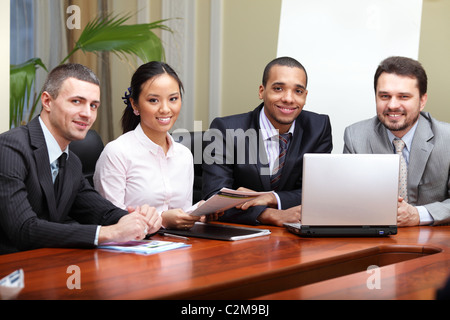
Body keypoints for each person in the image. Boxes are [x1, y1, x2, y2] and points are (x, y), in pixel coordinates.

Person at [0, 63, 162, 255]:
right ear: (47, 101)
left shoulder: (72, 162)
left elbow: (101, 212)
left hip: (47, 267)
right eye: (77, 101)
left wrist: (142, 219)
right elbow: (24, 229)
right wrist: (108, 233)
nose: (87, 114)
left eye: (93, 105)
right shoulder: (9, 148)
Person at [202, 56, 333, 226]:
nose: (288, 98)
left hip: (295, 238)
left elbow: (317, 193)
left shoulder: (318, 127)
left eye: (298, 91)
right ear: (261, 91)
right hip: (241, 238)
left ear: (305, 96)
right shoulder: (225, 129)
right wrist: (269, 214)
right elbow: (214, 198)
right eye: (278, 88)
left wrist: (272, 198)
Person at [94, 61, 204, 230]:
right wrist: (162, 220)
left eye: (173, 99)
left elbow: (181, 214)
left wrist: (200, 212)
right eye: (154, 100)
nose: (165, 109)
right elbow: (110, 220)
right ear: (134, 104)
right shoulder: (117, 152)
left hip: (178, 246)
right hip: (132, 249)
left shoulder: (184, 155)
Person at [344, 56, 450, 226]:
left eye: (403, 97)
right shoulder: (355, 136)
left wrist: (418, 215)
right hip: (375, 238)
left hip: (434, 241)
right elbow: (347, 199)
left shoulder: (447, 138)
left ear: (422, 101)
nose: (393, 105)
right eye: (385, 96)